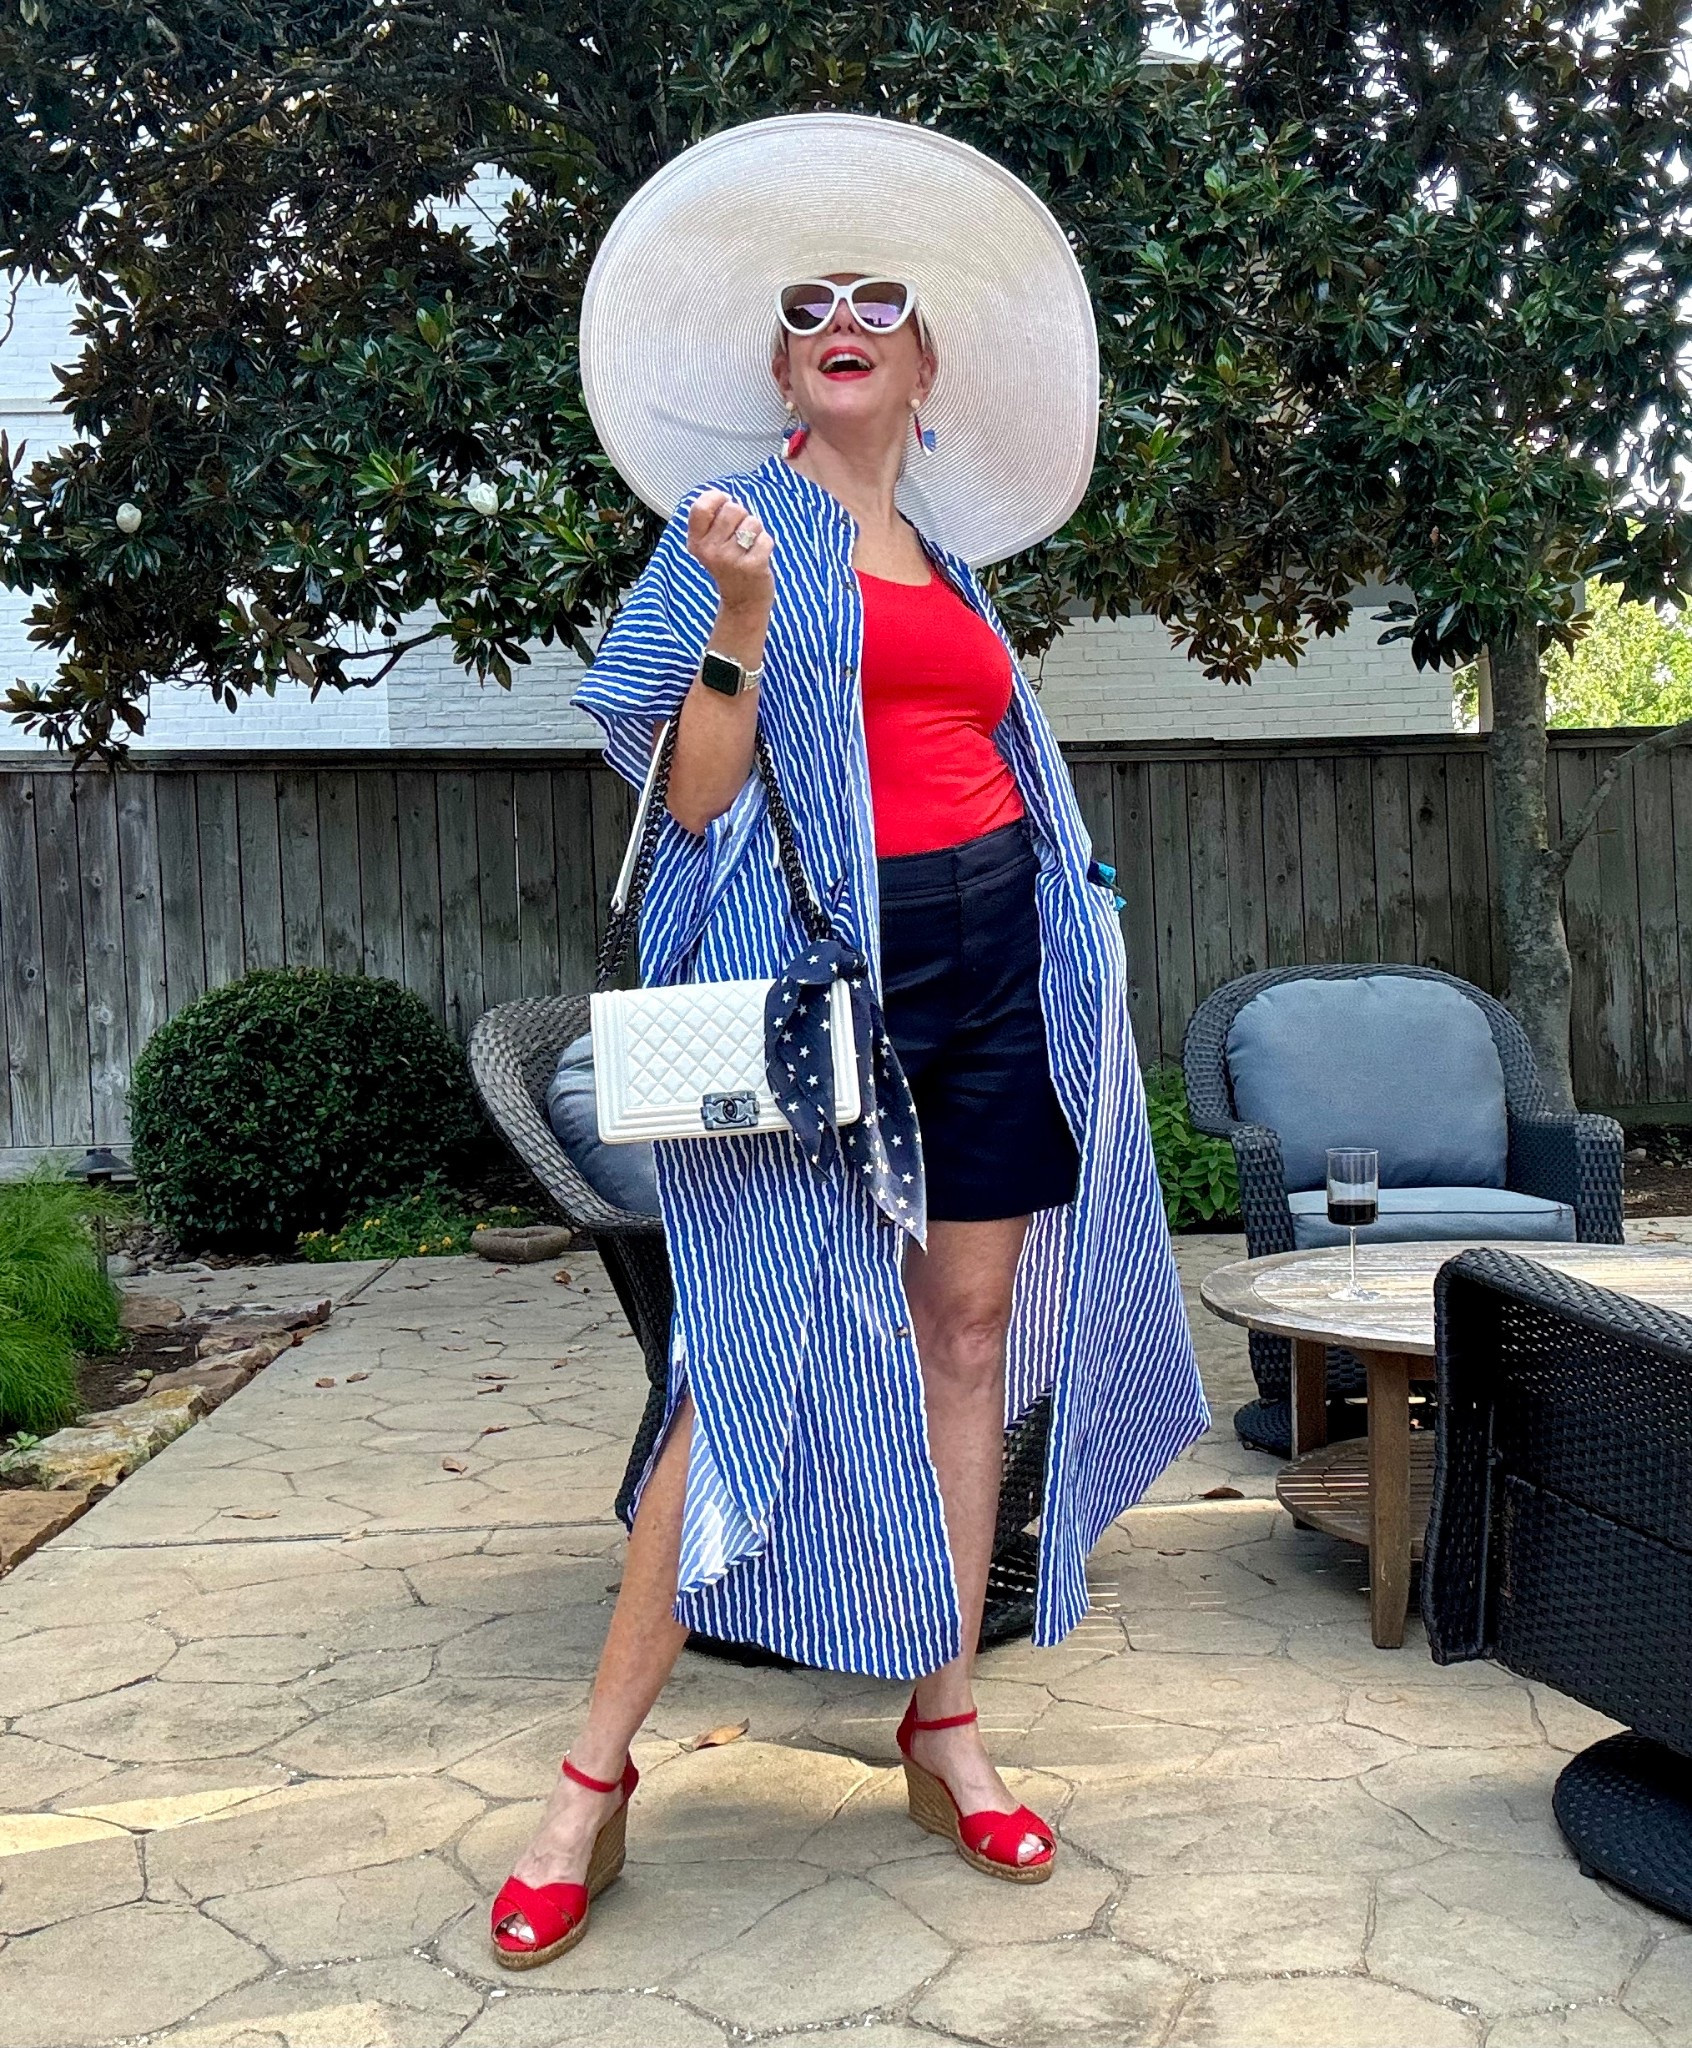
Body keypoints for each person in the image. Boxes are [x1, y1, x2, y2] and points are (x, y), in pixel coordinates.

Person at [490, 112, 1208, 1967]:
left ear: (928, 360)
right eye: (807, 305)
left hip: (999, 985)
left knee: (967, 1340)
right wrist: (739, 613)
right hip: (819, 1002)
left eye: (876, 300)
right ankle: (590, 1781)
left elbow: (989, 755)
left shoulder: (949, 564)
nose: (840, 323)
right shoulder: (730, 535)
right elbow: (693, 794)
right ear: (780, 364)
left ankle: (943, 1718)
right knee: (734, 1373)